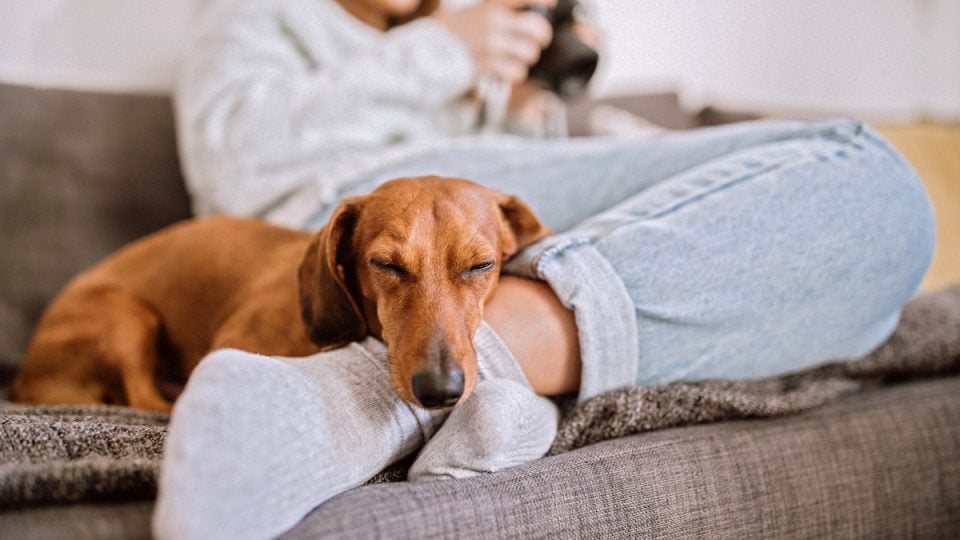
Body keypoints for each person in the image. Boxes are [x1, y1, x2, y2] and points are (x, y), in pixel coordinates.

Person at [155, 0, 936, 538]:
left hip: (491, 211)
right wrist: (441, 53)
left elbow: (542, 234)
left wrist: (527, 99)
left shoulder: (463, 20)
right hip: (353, 201)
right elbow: (234, 171)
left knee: (879, 202)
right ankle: (384, 394)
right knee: (866, 168)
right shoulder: (257, 14)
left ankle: (486, 372)